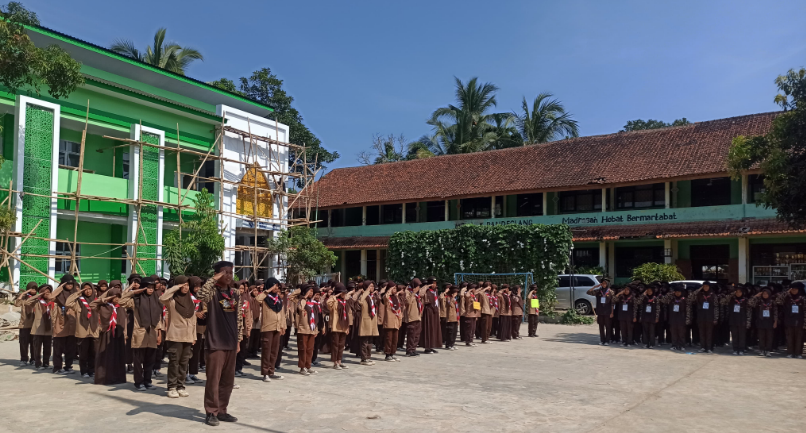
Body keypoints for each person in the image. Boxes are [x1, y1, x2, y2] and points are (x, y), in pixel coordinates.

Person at [197, 261, 242, 426]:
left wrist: (238, 339)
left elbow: (238, 319)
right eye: (225, 273)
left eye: (231, 272)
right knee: (213, 380)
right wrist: (213, 278)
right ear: (217, 274)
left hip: (231, 342)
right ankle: (211, 412)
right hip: (215, 342)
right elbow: (200, 295)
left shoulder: (235, 293)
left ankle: (222, 410)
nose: (229, 276)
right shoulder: (211, 293)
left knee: (227, 381)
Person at [160, 276, 197, 398]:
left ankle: (181, 386)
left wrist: (194, 336)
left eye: (187, 285)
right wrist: (175, 287)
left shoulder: (190, 301)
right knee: (174, 362)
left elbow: (193, 320)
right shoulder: (172, 301)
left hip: (187, 336)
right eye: (183, 285)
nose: (185, 287)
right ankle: (172, 387)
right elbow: (162, 297)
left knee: (184, 363)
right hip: (175, 336)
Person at [124, 276, 164, 391]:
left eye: (152, 287)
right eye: (148, 287)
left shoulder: (156, 299)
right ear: (143, 288)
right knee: (137, 360)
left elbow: (158, 318)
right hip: (140, 333)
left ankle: (148, 381)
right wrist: (133, 290)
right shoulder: (136, 300)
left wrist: (159, 334)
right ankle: (138, 382)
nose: (151, 289)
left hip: (152, 333)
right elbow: (122, 300)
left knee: (150, 360)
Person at [93, 282, 129, 385]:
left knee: (118, 356)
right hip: (107, 334)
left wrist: (125, 335)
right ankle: (104, 378)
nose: (117, 299)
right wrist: (105, 298)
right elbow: (93, 304)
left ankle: (118, 378)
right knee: (106, 356)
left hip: (118, 335)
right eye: (114, 296)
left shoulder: (121, 307)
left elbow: (124, 321)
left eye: (118, 296)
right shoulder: (103, 307)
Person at [254, 277, 286, 381]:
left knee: (274, 351)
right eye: (275, 286)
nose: (277, 288)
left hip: (277, 328)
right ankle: (265, 373)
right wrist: (267, 290)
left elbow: (282, 313)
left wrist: (283, 326)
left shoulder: (278, 298)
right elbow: (257, 299)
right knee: (266, 351)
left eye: (277, 286)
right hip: (267, 328)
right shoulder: (265, 298)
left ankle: (271, 371)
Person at [65, 281, 99, 377]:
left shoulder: (96, 301)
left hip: (93, 331)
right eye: (85, 289)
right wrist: (78, 293)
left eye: (89, 289)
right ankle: (84, 371)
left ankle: (92, 370)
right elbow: (68, 302)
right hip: (82, 332)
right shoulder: (78, 302)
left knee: (93, 352)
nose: (88, 291)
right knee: (83, 354)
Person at [51, 275, 78, 374]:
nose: (70, 285)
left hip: (72, 324)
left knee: (70, 348)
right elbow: (51, 296)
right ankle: (57, 367)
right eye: (67, 283)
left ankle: (68, 366)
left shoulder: (74, 294)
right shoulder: (58, 296)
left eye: (71, 283)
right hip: (60, 325)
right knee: (58, 348)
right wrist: (60, 287)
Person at [25, 284, 54, 370]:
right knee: (37, 347)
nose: (47, 293)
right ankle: (38, 363)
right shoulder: (37, 302)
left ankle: (46, 363)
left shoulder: (51, 302)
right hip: (38, 328)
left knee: (48, 348)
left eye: (48, 292)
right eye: (45, 292)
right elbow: (27, 302)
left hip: (48, 328)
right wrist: (38, 295)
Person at [775, 281, 805, 358]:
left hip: (800, 321)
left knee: (799, 338)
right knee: (789, 338)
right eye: (792, 289)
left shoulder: (802, 299)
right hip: (789, 321)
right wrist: (786, 292)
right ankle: (790, 352)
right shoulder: (787, 298)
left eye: (796, 289)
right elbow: (778, 301)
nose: (794, 291)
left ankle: (798, 353)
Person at [722, 284, 752, 355]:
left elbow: (749, 312)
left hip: (742, 321)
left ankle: (741, 349)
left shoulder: (745, 300)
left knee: (742, 337)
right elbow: (722, 301)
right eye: (737, 292)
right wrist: (732, 294)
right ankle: (735, 349)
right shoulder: (731, 299)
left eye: (740, 292)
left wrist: (748, 321)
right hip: (733, 320)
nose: (738, 293)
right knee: (734, 336)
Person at [661, 283, 691, 351]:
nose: (677, 293)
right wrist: (670, 293)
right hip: (673, 319)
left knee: (681, 334)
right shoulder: (671, 299)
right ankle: (674, 345)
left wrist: (687, 319)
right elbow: (663, 300)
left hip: (681, 319)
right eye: (676, 292)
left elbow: (688, 310)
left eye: (679, 292)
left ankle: (681, 345)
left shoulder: (685, 300)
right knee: (674, 333)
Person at [15, 282, 37, 366]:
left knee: (34, 343)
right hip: (24, 324)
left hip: (35, 324)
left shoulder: (38, 298)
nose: (33, 290)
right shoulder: (24, 298)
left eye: (35, 289)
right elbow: (17, 304)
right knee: (23, 342)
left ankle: (33, 359)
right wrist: (23, 293)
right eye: (31, 288)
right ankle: (24, 359)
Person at [749, 288, 777, 357]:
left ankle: (767, 350)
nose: (765, 295)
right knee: (761, 337)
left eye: (766, 294)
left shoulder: (772, 302)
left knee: (769, 337)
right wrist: (756, 296)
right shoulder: (759, 301)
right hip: (760, 321)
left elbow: (775, 312)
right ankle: (762, 350)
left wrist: (775, 321)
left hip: (769, 321)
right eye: (763, 294)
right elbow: (750, 303)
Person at [357, 280, 380, 364]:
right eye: (370, 286)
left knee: (370, 341)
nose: (372, 288)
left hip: (372, 320)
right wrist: (366, 292)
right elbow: (360, 301)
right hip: (365, 321)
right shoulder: (363, 296)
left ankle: (368, 356)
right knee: (364, 341)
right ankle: (363, 358)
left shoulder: (372, 296)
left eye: (373, 286)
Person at [234, 282, 253, 378]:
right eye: (240, 288)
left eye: (243, 288)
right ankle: (234, 369)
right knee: (236, 350)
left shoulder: (246, 299)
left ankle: (239, 368)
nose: (241, 290)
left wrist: (249, 328)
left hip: (244, 328)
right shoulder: (233, 299)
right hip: (236, 328)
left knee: (242, 349)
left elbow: (248, 314)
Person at [694, 282, 718, 353]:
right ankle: (703, 347)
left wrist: (715, 318)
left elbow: (716, 307)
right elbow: (691, 297)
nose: (705, 288)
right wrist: (699, 289)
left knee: (709, 333)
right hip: (701, 317)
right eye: (704, 286)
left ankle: (709, 347)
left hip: (710, 317)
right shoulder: (700, 294)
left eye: (707, 286)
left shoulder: (713, 295)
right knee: (702, 333)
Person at [381, 282, 403, 361]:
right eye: (393, 288)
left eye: (395, 288)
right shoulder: (387, 297)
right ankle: (387, 354)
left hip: (396, 321)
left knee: (395, 339)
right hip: (389, 321)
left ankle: (392, 353)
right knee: (388, 339)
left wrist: (400, 320)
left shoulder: (396, 298)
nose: (395, 290)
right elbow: (385, 298)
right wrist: (389, 290)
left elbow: (399, 309)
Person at [587, 279, 614, 345]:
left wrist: (612, 312)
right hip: (600, 311)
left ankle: (607, 340)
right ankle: (602, 340)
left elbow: (612, 303)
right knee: (601, 326)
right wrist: (595, 287)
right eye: (603, 283)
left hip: (607, 312)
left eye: (605, 283)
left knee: (608, 326)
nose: (604, 285)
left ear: (607, 284)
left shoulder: (611, 292)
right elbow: (588, 292)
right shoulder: (599, 291)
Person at [420, 277, 442, 354]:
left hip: (435, 311)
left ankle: (432, 346)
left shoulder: (435, 291)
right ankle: (427, 347)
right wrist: (426, 286)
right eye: (433, 283)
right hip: (428, 311)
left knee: (435, 329)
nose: (435, 285)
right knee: (428, 329)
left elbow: (437, 302)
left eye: (435, 283)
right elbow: (420, 294)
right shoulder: (426, 290)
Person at [635, 285, 660, 349]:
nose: (649, 292)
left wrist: (657, 317)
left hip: (652, 317)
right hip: (645, 316)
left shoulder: (655, 298)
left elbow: (658, 309)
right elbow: (638, 302)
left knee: (651, 331)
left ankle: (652, 344)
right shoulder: (644, 298)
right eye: (648, 291)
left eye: (650, 291)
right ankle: (645, 343)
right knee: (645, 331)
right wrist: (643, 294)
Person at [404, 279, 424, 356]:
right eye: (417, 286)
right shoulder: (407, 292)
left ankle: (413, 349)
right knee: (411, 334)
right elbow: (408, 302)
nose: (418, 288)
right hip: (411, 317)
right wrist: (413, 293)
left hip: (417, 316)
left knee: (417, 334)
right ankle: (409, 350)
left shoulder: (416, 294)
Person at [442, 285, 460, 350]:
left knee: (454, 332)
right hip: (450, 318)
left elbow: (456, 309)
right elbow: (449, 304)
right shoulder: (448, 298)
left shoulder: (455, 299)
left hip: (455, 317)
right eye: (456, 292)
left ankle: (452, 344)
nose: (456, 294)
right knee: (450, 332)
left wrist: (458, 319)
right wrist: (452, 297)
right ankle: (448, 345)